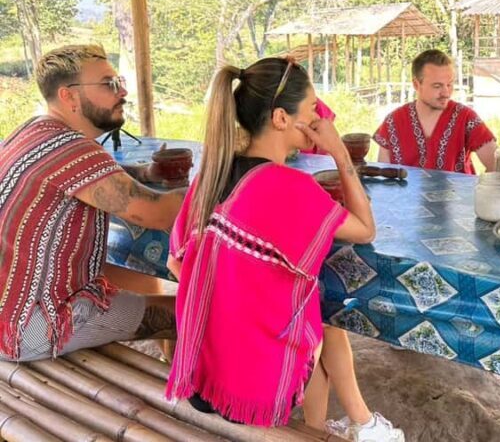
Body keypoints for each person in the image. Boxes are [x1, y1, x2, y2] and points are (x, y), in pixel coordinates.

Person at [165, 57, 404, 441]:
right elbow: (365, 230)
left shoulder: (211, 175)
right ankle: (324, 430)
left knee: (306, 309)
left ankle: (361, 425)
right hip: (247, 393)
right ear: (280, 118)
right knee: (314, 318)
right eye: (312, 108)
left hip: (201, 377)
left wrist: (234, 303)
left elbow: (175, 262)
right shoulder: (291, 188)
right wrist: (340, 154)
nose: (321, 116)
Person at [0, 45, 183, 362]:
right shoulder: (73, 149)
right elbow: (156, 214)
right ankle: (185, 395)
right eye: (108, 84)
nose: (122, 91)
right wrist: (213, 187)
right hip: (29, 328)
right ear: (68, 96)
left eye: (119, 81)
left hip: (11, 307)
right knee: (188, 313)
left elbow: (79, 180)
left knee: (147, 287)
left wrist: (140, 173)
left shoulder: (32, 132)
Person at [374, 49, 496, 173]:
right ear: (416, 84)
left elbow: (498, 166)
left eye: (449, 84)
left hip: (458, 193)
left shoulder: (466, 118)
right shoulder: (393, 122)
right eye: (437, 86)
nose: (446, 93)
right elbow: (383, 178)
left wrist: (481, 189)